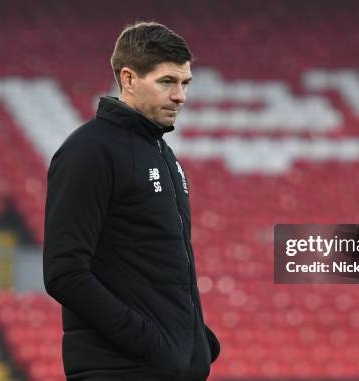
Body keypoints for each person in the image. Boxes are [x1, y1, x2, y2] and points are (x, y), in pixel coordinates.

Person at [43, 21, 220, 381]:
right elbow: (64, 274)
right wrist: (152, 344)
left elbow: (160, 266)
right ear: (128, 79)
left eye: (185, 83)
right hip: (120, 370)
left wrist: (197, 341)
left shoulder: (163, 154)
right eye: (166, 82)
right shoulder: (88, 151)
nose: (180, 96)